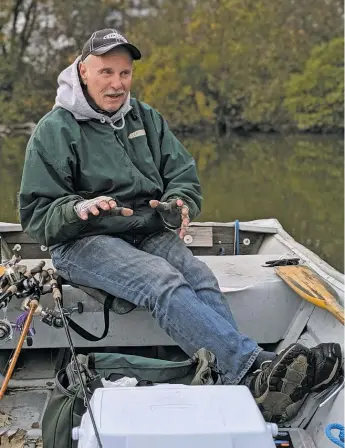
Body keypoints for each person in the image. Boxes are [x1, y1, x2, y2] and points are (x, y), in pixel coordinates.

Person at [19, 28, 342, 423]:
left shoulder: (146, 118)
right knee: (162, 280)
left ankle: (243, 373)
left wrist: (179, 205)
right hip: (82, 242)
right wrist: (80, 209)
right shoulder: (55, 130)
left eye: (125, 74)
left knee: (199, 275)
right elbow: (38, 217)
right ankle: (252, 372)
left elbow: (183, 177)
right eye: (106, 72)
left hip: (146, 230)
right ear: (82, 71)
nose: (117, 84)